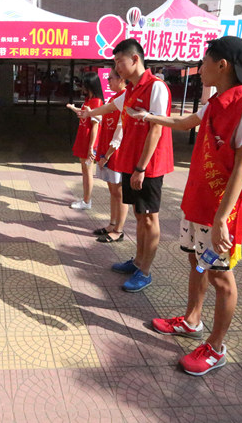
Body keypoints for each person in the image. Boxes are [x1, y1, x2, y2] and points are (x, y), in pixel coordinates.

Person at [130, 36, 242, 376]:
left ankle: (216, 348)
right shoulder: (215, 102)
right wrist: (149, 117)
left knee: (221, 277)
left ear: (222, 65)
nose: (199, 68)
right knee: (197, 262)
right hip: (198, 204)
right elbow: (185, 122)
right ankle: (192, 321)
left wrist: (221, 219)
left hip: (221, 211)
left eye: (203, 62)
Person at [79, 39, 174, 293]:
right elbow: (111, 106)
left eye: (120, 62)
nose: (117, 68)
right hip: (132, 162)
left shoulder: (156, 87)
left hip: (149, 165)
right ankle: (138, 261)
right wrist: (88, 113)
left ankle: (145, 271)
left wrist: (141, 168)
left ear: (135, 59)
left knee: (149, 218)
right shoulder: (130, 90)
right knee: (139, 215)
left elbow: (157, 128)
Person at [94, 67, 128, 243]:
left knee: (119, 192)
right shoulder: (114, 99)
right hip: (106, 151)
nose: (108, 82)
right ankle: (112, 224)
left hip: (117, 153)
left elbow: (120, 132)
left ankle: (119, 230)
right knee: (112, 191)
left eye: (111, 79)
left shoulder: (126, 98)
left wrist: (107, 154)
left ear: (121, 79)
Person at [67, 71, 104, 210]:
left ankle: (87, 201)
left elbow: (95, 126)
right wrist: (73, 108)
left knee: (88, 171)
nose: (82, 88)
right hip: (83, 138)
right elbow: (84, 114)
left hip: (89, 141)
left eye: (84, 85)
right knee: (84, 170)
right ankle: (85, 198)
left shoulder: (97, 102)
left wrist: (91, 147)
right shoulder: (89, 100)